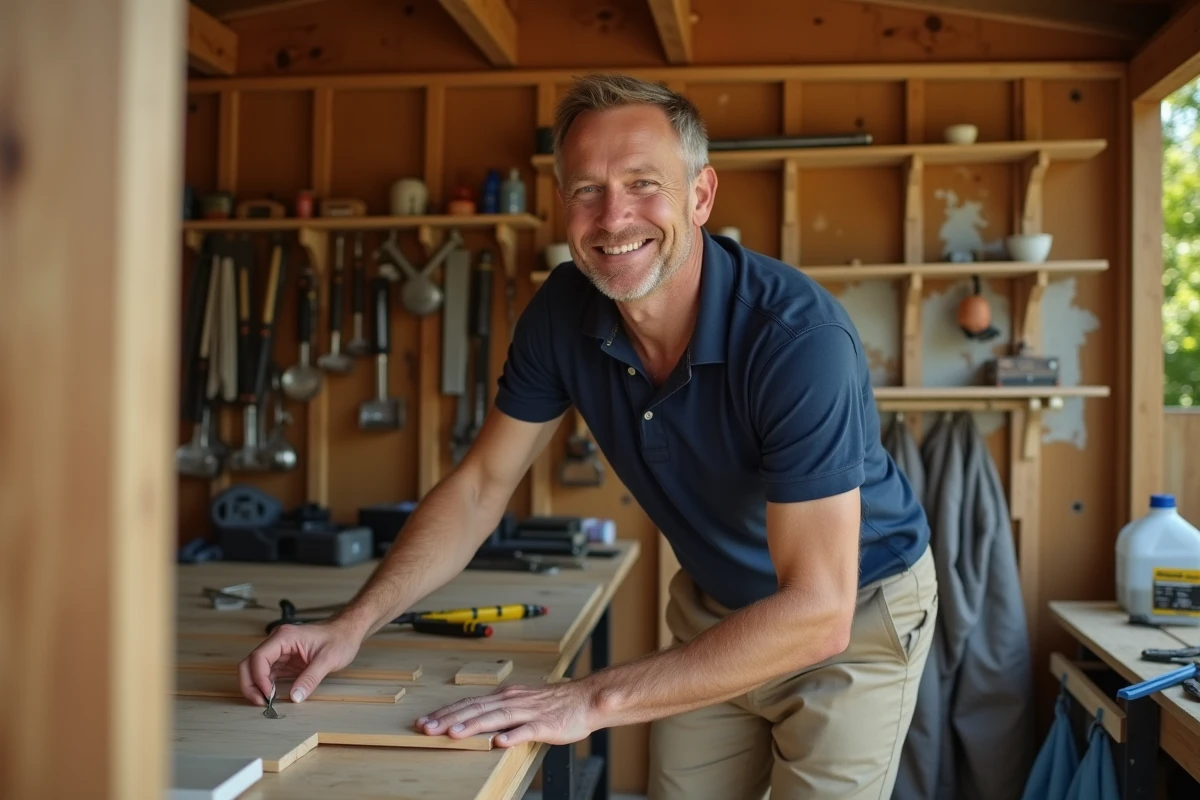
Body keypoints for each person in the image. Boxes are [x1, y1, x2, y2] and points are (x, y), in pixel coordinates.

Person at [238, 73, 938, 800]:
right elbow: (481, 488)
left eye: (643, 183)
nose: (612, 218)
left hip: (853, 616)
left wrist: (590, 699)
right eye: (585, 190)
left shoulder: (797, 340)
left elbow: (817, 612)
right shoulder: (562, 313)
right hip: (718, 606)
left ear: (700, 197)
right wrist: (353, 624)